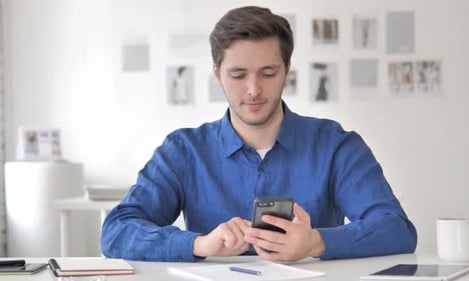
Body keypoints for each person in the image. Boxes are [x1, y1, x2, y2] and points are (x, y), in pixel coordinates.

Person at [101, 5, 417, 262]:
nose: (254, 90)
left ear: (287, 69)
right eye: (238, 75)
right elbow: (116, 231)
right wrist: (198, 244)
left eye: (268, 73)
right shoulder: (183, 150)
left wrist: (316, 242)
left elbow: (397, 229)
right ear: (217, 74)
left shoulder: (336, 145)